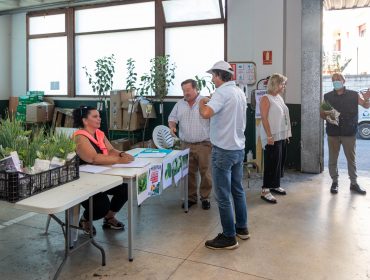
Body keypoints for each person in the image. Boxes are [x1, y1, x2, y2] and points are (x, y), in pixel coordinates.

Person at [199, 60, 249, 250]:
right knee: (238, 190)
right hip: (238, 148)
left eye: (213, 75)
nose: (212, 79)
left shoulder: (221, 93)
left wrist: (203, 102)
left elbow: (205, 113)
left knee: (222, 195)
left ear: (220, 75)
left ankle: (229, 236)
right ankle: (242, 228)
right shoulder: (238, 92)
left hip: (223, 151)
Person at [72, 105, 134, 234]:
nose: (99, 119)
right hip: (84, 181)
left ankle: (109, 217)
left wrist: (122, 154)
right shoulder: (79, 137)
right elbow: (93, 158)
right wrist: (118, 160)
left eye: (99, 116)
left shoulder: (99, 134)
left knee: (125, 188)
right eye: (95, 116)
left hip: (102, 175)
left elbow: (111, 150)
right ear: (84, 120)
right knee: (102, 206)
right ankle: (85, 220)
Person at [320, 73, 370, 195]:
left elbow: (366, 105)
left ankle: (354, 183)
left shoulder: (354, 94)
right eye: (333, 80)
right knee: (333, 159)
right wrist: (327, 114)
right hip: (333, 133)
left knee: (351, 159)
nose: (335, 81)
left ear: (344, 81)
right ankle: (334, 182)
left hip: (349, 132)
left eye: (338, 79)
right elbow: (322, 114)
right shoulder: (327, 96)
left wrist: (367, 98)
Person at [168, 79, 212, 210]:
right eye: (183, 90)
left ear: (195, 89)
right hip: (185, 144)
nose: (185, 93)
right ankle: (191, 198)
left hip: (204, 144)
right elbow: (172, 118)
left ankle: (205, 198)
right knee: (188, 172)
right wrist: (172, 126)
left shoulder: (205, 101)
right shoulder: (179, 104)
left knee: (206, 172)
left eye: (188, 90)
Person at [259, 73, 292, 204]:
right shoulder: (265, 98)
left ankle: (275, 185)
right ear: (276, 84)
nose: (284, 86)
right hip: (272, 136)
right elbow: (264, 118)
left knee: (279, 162)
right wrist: (269, 135)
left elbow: (284, 116)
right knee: (271, 162)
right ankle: (265, 190)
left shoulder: (278, 97)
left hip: (281, 135)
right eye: (282, 83)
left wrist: (286, 134)